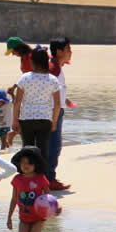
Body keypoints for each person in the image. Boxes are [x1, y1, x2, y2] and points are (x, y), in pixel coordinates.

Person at [12, 47, 61, 166]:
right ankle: (41, 180)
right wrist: (54, 122)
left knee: (27, 150)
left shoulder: (24, 78)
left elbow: (17, 102)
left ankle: (25, 178)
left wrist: (15, 120)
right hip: (45, 119)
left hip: (26, 119)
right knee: (42, 151)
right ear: (46, 62)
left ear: (32, 62)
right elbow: (58, 104)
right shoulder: (53, 80)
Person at [7, 146, 59, 232]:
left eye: (29, 163)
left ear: (36, 164)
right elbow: (14, 199)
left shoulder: (41, 178)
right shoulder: (17, 179)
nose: (25, 165)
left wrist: (54, 209)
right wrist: (9, 218)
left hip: (39, 217)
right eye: (23, 162)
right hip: (24, 217)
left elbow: (49, 196)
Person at [46, 37, 73, 191]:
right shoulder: (54, 68)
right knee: (54, 146)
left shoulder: (57, 66)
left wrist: (65, 100)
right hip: (53, 111)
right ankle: (50, 179)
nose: (71, 53)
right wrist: (54, 116)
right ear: (59, 51)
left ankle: (49, 177)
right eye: (68, 50)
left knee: (53, 145)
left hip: (56, 109)